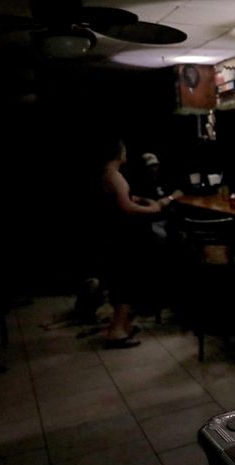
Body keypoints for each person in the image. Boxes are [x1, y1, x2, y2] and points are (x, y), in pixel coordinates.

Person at [96, 139, 164, 347]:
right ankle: (117, 332)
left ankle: (121, 326)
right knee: (127, 280)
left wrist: (136, 200)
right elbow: (125, 208)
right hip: (123, 236)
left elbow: (121, 201)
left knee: (123, 280)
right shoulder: (114, 176)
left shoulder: (106, 175)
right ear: (118, 153)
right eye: (124, 149)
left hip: (115, 235)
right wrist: (152, 209)